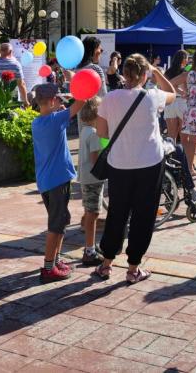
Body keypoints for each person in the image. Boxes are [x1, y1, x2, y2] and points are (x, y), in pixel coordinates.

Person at [93, 55, 175, 283]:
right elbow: (173, 94)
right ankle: (133, 268)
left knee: (117, 213)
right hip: (150, 162)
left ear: (125, 73)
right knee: (144, 215)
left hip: (119, 163)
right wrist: (157, 72)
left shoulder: (110, 98)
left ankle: (106, 263)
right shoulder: (152, 96)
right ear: (144, 74)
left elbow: (102, 132)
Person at [30, 83, 87, 283]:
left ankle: (56, 260)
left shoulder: (37, 122)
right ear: (53, 100)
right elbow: (80, 103)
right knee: (56, 225)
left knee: (61, 221)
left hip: (46, 181)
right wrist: (81, 88)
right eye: (58, 99)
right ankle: (48, 268)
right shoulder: (56, 120)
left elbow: (59, 115)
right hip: (58, 180)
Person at [76, 97, 105, 267]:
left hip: (85, 178)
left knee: (89, 211)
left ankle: (90, 247)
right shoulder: (94, 134)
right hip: (94, 178)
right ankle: (89, 250)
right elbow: (96, 159)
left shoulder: (85, 131)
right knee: (93, 214)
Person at [0, 43, 29, 107]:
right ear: (11, 51)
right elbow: (21, 84)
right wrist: (25, 101)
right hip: (12, 98)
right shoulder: (16, 65)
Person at [162, 51, 189, 142]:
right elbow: (186, 89)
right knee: (184, 134)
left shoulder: (168, 72)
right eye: (187, 58)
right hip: (181, 102)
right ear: (183, 59)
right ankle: (184, 154)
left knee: (171, 134)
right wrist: (181, 92)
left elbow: (163, 87)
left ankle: (171, 154)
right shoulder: (184, 72)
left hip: (169, 102)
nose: (188, 60)